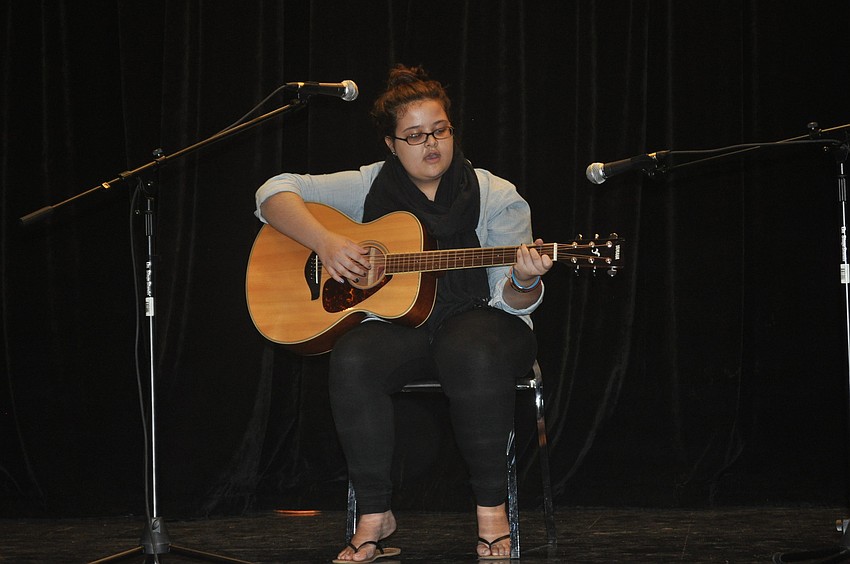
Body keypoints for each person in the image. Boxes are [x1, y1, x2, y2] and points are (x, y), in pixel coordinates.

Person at [255, 64, 552, 562]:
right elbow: (272, 192)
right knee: (353, 358)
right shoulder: (368, 184)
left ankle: (491, 510)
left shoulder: (496, 196)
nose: (430, 143)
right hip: (403, 325)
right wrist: (326, 243)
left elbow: (511, 299)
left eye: (439, 130)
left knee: (472, 351)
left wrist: (525, 278)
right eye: (414, 136)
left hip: (482, 320)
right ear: (391, 144)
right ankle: (374, 513)